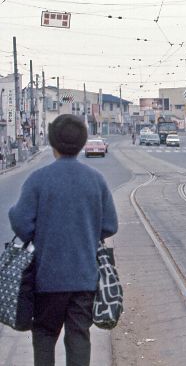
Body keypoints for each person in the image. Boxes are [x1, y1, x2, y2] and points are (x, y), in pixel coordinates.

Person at [8, 114, 119, 366]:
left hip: (47, 277)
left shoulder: (38, 179)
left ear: (52, 142)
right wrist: (86, 233)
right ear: (82, 144)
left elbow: (22, 223)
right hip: (84, 278)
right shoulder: (96, 180)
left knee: (45, 335)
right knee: (79, 336)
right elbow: (110, 225)